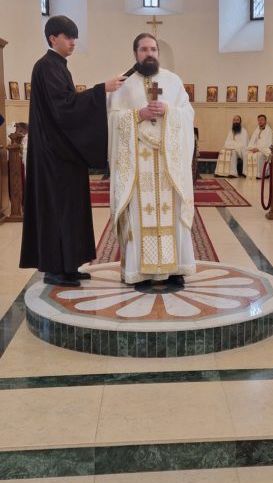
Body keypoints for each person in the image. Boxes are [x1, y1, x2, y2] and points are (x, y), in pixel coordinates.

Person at [19, 15, 125, 287]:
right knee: (58, 210)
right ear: (53, 38)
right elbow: (64, 108)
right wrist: (101, 90)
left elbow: (67, 105)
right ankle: (55, 269)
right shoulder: (46, 66)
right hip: (53, 157)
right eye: (68, 37)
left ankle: (69, 266)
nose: (73, 42)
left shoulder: (58, 66)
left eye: (75, 37)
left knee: (70, 210)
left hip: (64, 154)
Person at [108, 33, 196, 287]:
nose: (150, 54)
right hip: (137, 163)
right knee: (139, 215)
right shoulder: (123, 83)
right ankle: (140, 272)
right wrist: (138, 114)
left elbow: (188, 114)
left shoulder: (173, 80)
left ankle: (176, 268)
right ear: (135, 53)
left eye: (153, 49)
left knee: (173, 212)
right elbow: (113, 119)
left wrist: (169, 111)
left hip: (169, 163)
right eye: (144, 49)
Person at [243, 114, 273, 179]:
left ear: (265, 121)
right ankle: (247, 173)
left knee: (259, 156)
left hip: (264, 151)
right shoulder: (257, 130)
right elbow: (252, 141)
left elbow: (268, 144)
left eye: (262, 120)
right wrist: (252, 148)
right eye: (259, 120)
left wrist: (259, 149)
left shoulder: (269, 131)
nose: (260, 121)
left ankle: (259, 174)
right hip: (255, 149)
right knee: (245, 154)